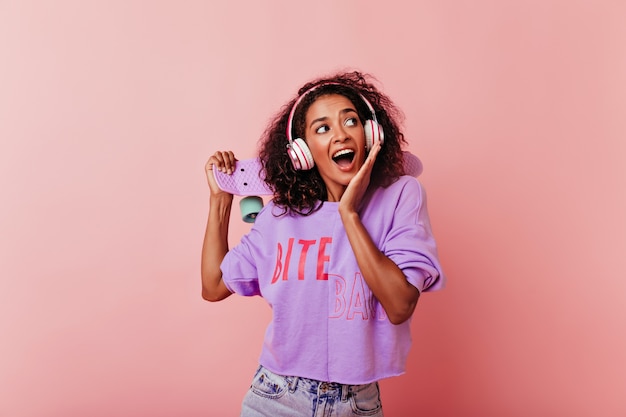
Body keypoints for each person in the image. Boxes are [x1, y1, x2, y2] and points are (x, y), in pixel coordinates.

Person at [201, 71, 445, 417]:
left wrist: (349, 213)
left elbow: (400, 304)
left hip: (355, 403)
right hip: (275, 397)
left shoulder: (401, 197)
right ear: (302, 152)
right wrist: (220, 201)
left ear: (371, 133)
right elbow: (213, 286)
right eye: (323, 128)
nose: (341, 134)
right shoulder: (280, 217)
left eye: (351, 121)